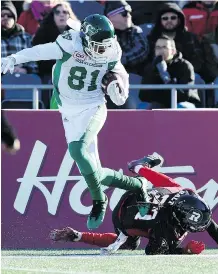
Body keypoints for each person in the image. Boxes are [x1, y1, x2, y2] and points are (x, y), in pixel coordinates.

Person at [1, 14, 154, 230]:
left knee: (77, 151)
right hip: (67, 108)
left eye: (105, 45)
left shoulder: (111, 50)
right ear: (85, 37)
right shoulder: (70, 43)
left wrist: (117, 89)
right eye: (97, 45)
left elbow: (121, 91)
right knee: (95, 173)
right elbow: (40, 51)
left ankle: (99, 201)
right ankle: (138, 185)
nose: (101, 50)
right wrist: (14, 58)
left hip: (93, 106)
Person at [50, 153, 218, 255]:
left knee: (172, 188)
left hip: (136, 195)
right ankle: (80, 236)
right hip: (124, 218)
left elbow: (205, 220)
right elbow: (152, 252)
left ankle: (139, 169)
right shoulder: (166, 229)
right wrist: (185, 251)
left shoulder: (184, 195)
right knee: (131, 243)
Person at [139, 35, 201, 109]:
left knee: (180, 107)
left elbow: (183, 96)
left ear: (173, 51)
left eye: (164, 47)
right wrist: (154, 72)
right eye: (158, 47)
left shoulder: (185, 66)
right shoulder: (150, 67)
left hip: (183, 103)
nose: (160, 50)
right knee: (143, 106)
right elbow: (143, 96)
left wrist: (165, 75)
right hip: (159, 103)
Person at [1, 1, 37, 74]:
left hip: (21, 80)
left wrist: (25, 70)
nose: (5, 17)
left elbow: (33, 64)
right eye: (2, 15)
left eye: (9, 15)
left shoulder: (26, 38)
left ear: (15, 18)